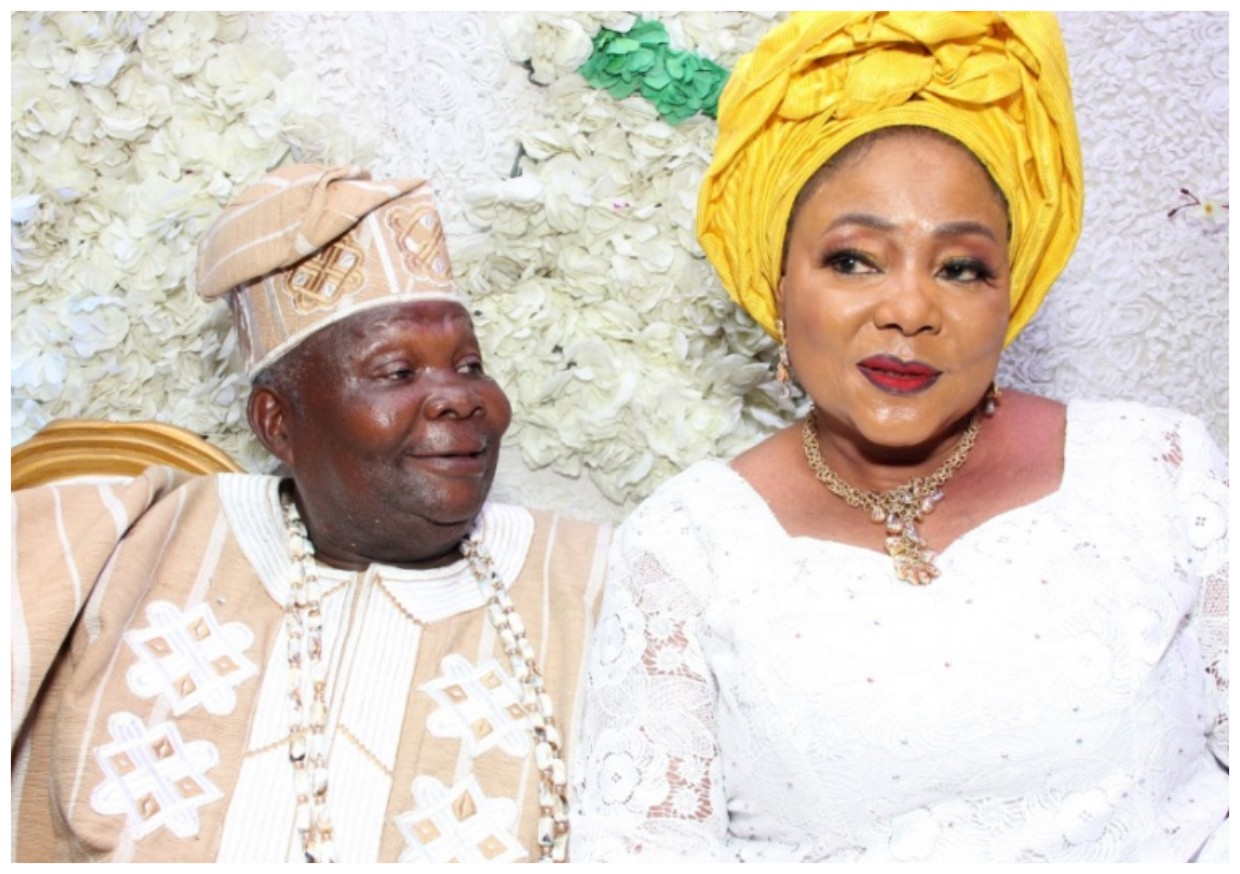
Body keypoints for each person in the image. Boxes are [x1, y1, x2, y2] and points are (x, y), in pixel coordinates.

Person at [571, 12, 1228, 863]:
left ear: (1010, 295)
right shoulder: (688, 545)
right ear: (778, 282)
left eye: (961, 267)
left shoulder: (1156, 472)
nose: (910, 309)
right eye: (854, 260)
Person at [10, 165, 611, 863]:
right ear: (278, 423)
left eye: (470, 366)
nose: (461, 398)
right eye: (398, 372)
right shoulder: (123, 535)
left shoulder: (598, 580)